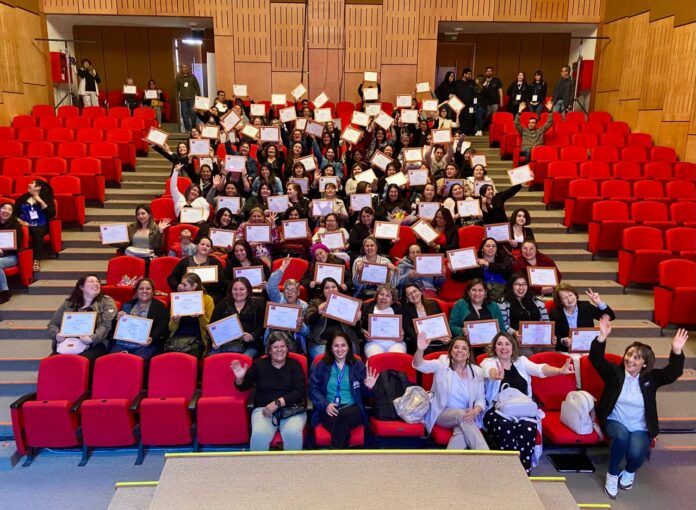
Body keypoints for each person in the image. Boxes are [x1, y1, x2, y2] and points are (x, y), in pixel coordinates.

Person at [590, 317, 687, 499]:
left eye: (636, 358)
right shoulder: (615, 373)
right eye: (628, 355)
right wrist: (602, 336)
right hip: (615, 420)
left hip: (640, 426)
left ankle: (628, 471)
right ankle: (612, 475)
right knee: (621, 437)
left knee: (636, 454)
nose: (630, 360)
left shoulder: (651, 378)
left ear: (645, 363)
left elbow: (673, 372)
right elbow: (595, 359)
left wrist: (676, 351)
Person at [481, 332, 575, 473]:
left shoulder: (521, 362)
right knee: (506, 428)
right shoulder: (488, 362)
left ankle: (524, 472)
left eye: (507, 344)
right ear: (494, 347)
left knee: (528, 428)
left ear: (513, 347)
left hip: (523, 409)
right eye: (499, 344)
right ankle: (507, 472)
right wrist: (495, 374)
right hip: (496, 410)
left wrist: (559, 370)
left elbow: (540, 369)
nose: (503, 347)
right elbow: (487, 371)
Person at [231, 334, 306, 451]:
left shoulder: (295, 365)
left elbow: (300, 391)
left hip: (292, 409)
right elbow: (243, 386)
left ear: (287, 348)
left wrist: (277, 403)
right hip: (264, 409)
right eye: (275, 347)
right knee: (259, 435)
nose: (279, 350)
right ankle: (260, 464)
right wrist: (240, 378)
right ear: (269, 350)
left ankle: (292, 463)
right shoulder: (259, 364)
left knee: (292, 434)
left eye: (283, 346)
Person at [414, 334, 488, 450]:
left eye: (464, 348)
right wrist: (420, 350)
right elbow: (419, 365)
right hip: (442, 412)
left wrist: (475, 411)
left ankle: (448, 460)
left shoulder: (477, 371)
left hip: (465, 414)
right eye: (456, 347)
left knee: (461, 434)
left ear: (469, 354)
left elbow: (480, 399)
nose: (459, 350)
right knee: (462, 416)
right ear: (451, 351)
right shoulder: (442, 364)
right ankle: (486, 454)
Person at [309, 331, 379, 448]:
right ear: (330, 348)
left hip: (353, 408)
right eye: (336, 346)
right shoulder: (322, 365)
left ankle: (335, 453)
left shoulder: (357, 365)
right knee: (342, 427)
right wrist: (326, 404)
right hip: (328, 408)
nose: (340, 349)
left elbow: (366, 395)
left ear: (349, 347)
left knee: (342, 417)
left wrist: (369, 387)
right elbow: (312, 388)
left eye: (343, 345)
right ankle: (342, 455)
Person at [47, 275, 117, 366]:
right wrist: (57, 334)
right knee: (51, 363)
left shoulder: (106, 301)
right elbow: (53, 324)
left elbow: (106, 325)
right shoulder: (69, 303)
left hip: (94, 343)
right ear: (81, 287)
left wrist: (91, 338)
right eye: (91, 281)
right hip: (68, 342)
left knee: (79, 363)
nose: (96, 284)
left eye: (97, 282)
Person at [110, 278, 170, 360]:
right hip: (124, 343)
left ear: (153, 291)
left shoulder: (160, 307)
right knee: (114, 358)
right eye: (141, 288)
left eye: (148, 289)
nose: (144, 291)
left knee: (138, 359)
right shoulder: (127, 305)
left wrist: (152, 337)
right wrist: (117, 319)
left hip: (146, 344)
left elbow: (162, 327)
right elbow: (114, 328)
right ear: (136, 291)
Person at [305, 278, 360, 361]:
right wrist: (318, 313)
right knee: (323, 359)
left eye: (333, 287)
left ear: (338, 289)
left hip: (345, 342)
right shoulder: (315, 303)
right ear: (322, 291)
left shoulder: (347, 303)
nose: (331, 289)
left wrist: (357, 320)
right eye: (326, 288)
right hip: (321, 342)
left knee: (351, 353)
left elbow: (356, 329)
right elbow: (308, 319)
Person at [549, 284, 615, 353]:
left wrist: (599, 302)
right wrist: (562, 340)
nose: (570, 300)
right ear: (560, 301)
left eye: (570, 295)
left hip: (587, 349)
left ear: (575, 295)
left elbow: (610, 316)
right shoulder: (555, 313)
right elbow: (554, 336)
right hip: (566, 350)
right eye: (565, 298)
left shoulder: (586, 306)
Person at [209, 277, 264, 358]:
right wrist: (215, 340)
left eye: (242, 289)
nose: (238, 292)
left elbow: (262, 325)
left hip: (249, 345)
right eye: (235, 289)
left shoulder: (258, 304)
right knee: (211, 360)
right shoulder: (222, 304)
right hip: (224, 344)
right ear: (231, 290)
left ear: (248, 290)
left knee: (243, 360)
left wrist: (252, 336)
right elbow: (212, 326)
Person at [497, 273, 550, 354]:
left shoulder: (537, 300)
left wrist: (550, 334)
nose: (521, 287)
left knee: (550, 352)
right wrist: (514, 332)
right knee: (528, 354)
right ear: (511, 286)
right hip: (515, 339)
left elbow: (546, 322)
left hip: (537, 338)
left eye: (524, 284)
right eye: (517, 284)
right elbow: (503, 324)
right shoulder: (503, 302)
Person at [266, 257, 311, 353]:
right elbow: (270, 286)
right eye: (287, 290)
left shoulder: (304, 306)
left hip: (294, 340)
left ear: (298, 293)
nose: (289, 293)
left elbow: (307, 331)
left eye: (293, 290)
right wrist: (282, 267)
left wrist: (300, 326)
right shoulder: (278, 299)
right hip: (275, 337)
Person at [166, 273, 214, 357]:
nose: (181, 287)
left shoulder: (207, 300)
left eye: (185, 285)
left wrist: (201, 316)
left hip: (197, 339)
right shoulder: (177, 299)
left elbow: (209, 327)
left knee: (191, 358)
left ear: (194, 286)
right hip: (177, 338)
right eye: (181, 284)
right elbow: (171, 328)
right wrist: (175, 321)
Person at [167, 237, 226, 301]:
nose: (205, 247)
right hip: (186, 297)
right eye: (202, 244)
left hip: (208, 297)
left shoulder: (215, 262)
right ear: (196, 245)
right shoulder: (185, 262)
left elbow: (222, 282)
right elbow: (172, 278)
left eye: (208, 246)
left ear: (210, 250)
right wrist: (178, 286)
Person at [15, 179, 55, 272]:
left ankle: (36, 260)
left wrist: (39, 200)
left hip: (42, 224)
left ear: (38, 187)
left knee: (38, 231)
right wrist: (21, 221)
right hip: (26, 224)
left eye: (32, 183)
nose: (29, 184)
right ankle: (20, 258)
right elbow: (14, 213)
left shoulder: (46, 198)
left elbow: (51, 214)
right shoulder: (23, 198)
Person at [360, 285, 404, 357]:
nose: (384, 298)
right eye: (381, 294)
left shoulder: (398, 309)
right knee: (377, 358)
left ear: (392, 300)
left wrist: (402, 333)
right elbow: (357, 326)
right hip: (373, 343)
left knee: (396, 357)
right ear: (377, 296)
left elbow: (405, 327)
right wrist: (363, 332)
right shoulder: (366, 307)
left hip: (394, 343)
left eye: (388, 296)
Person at [401, 283, 444, 354]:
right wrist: (421, 342)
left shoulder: (433, 304)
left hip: (436, 339)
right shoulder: (405, 308)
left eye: (415, 291)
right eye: (409, 294)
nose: (413, 295)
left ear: (420, 291)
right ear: (407, 298)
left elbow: (441, 322)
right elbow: (408, 328)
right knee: (427, 351)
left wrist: (445, 337)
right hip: (416, 342)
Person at [0, 203, 23, 303]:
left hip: (11, 256)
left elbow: (17, 244)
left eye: (9, 210)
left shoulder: (15, 225)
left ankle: (4, 292)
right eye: (4, 208)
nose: (6, 211)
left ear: (12, 213)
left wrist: (3, 251)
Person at [175, 63, 201, 132]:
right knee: (184, 115)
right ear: (181, 69)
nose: (185, 68)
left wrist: (199, 97)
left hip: (192, 99)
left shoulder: (192, 77)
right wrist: (177, 99)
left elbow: (197, 87)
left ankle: (193, 128)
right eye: (183, 67)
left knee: (193, 114)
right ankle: (187, 129)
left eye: (186, 67)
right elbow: (176, 89)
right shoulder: (178, 78)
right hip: (183, 100)